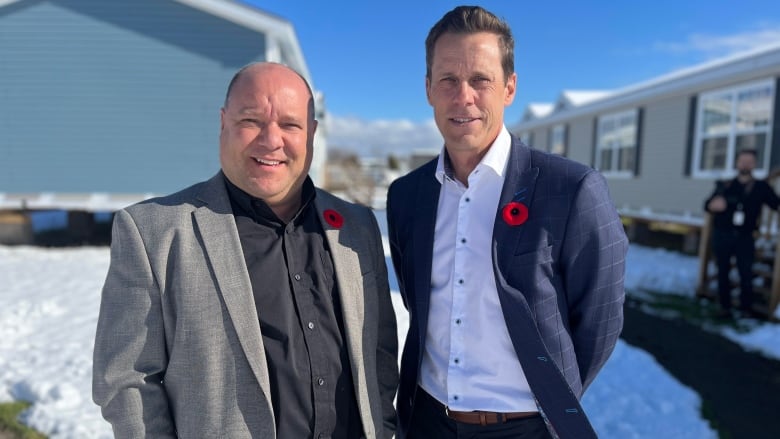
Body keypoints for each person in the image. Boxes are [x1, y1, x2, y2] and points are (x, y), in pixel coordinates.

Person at [92, 62, 398, 439]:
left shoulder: (355, 227)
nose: (271, 141)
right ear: (223, 123)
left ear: (312, 133)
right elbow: (126, 381)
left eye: (290, 125)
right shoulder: (154, 233)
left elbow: (379, 355)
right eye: (251, 121)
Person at [386, 6, 628, 439]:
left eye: (481, 79)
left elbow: (600, 320)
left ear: (509, 87)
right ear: (428, 90)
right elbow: (416, 300)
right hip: (426, 421)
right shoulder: (407, 196)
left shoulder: (571, 189)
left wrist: (552, 397)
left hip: (525, 428)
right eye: (448, 81)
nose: (464, 97)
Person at [704, 148, 780, 318]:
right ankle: (725, 306)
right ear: (737, 163)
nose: (745, 164)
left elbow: (776, 203)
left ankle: (746, 308)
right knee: (722, 271)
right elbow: (708, 204)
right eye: (742, 161)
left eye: (749, 161)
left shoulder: (761, 187)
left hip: (745, 237)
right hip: (723, 235)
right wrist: (712, 206)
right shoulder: (725, 186)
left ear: (754, 164)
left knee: (745, 272)